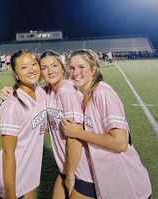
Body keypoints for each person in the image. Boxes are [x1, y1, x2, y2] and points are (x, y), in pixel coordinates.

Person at [0, 50, 97, 199]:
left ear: (62, 67)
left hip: (80, 171)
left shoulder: (66, 90)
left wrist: (70, 176)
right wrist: (10, 90)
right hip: (65, 169)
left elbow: (75, 136)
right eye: (44, 67)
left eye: (54, 65)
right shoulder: (47, 93)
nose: (50, 71)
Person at [61, 49, 152, 199]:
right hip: (109, 185)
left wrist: (78, 133)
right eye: (72, 68)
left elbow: (120, 142)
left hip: (129, 186)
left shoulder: (103, 93)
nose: (75, 72)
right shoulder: (86, 97)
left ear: (93, 69)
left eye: (81, 67)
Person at [0, 50, 47, 199]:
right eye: (24, 67)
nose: (32, 69)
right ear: (15, 74)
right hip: (8, 182)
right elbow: (8, 152)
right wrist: (11, 195)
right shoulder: (12, 103)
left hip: (26, 177)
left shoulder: (40, 92)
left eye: (34, 64)